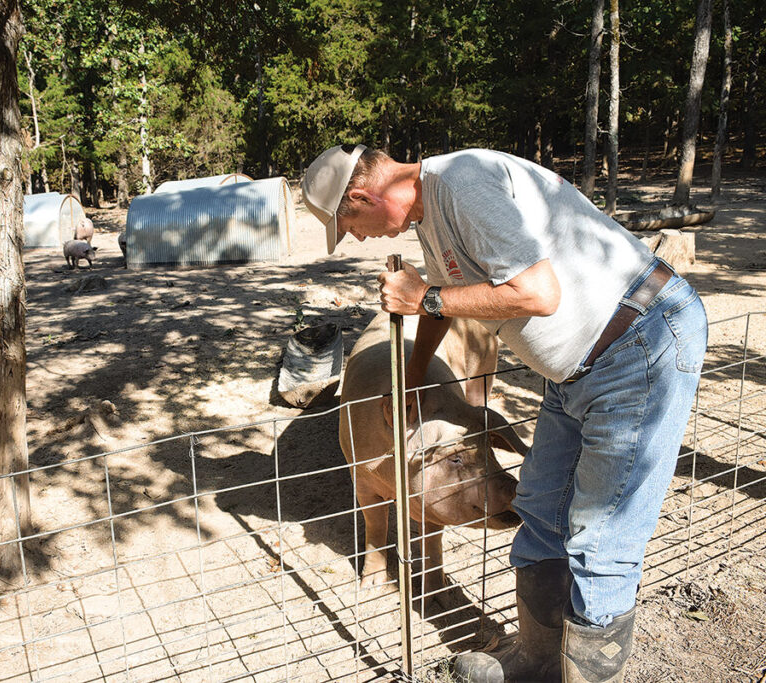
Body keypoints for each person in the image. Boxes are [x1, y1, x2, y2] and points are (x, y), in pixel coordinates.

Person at [301, 144, 708, 683]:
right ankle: (536, 660)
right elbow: (447, 293)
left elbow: (537, 294)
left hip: (638, 347)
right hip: (577, 370)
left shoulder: (464, 183)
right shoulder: (433, 213)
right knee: (540, 508)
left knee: (600, 537)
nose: (357, 238)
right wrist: (414, 374)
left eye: (349, 225)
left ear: (362, 195)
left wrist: (425, 298)